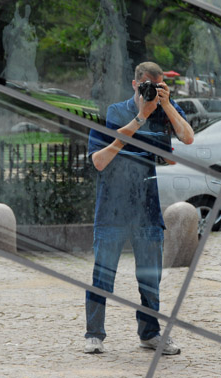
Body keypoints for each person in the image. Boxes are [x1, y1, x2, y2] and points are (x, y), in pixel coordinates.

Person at [84, 62, 194, 355]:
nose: (150, 91)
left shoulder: (162, 111)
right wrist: (140, 118)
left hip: (147, 209)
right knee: (102, 276)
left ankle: (150, 334)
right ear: (135, 84)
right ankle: (93, 334)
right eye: (147, 85)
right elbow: (99, 161)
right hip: (111, 210)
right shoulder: (113, 112)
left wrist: (167, 105)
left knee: (150, 278)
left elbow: (187, 137)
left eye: (156, 86)